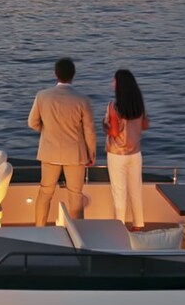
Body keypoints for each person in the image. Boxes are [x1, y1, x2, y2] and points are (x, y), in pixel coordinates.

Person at [27, 57, 97, 225]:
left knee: (45, 193)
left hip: (49, 151)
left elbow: (32, 123)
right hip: (75, 153)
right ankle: (77, 231)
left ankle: (40, 228)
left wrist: (47, 132)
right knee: (76, 195)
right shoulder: (82, 99)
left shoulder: (42, 96)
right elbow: (89, 130)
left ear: (55, 74)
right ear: (73, 74)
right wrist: (91, 153)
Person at [104, 68, 151, 229]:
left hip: (117, 153)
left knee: (119, 192)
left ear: (120, 84)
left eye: (114, 80)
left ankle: (120, 227)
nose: (112, 83)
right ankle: (138, 224)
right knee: (136, 190)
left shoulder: (114, 106)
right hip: (135, 153)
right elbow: (145, 125)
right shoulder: (139, 105)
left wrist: (105, 126)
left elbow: (114, 132)